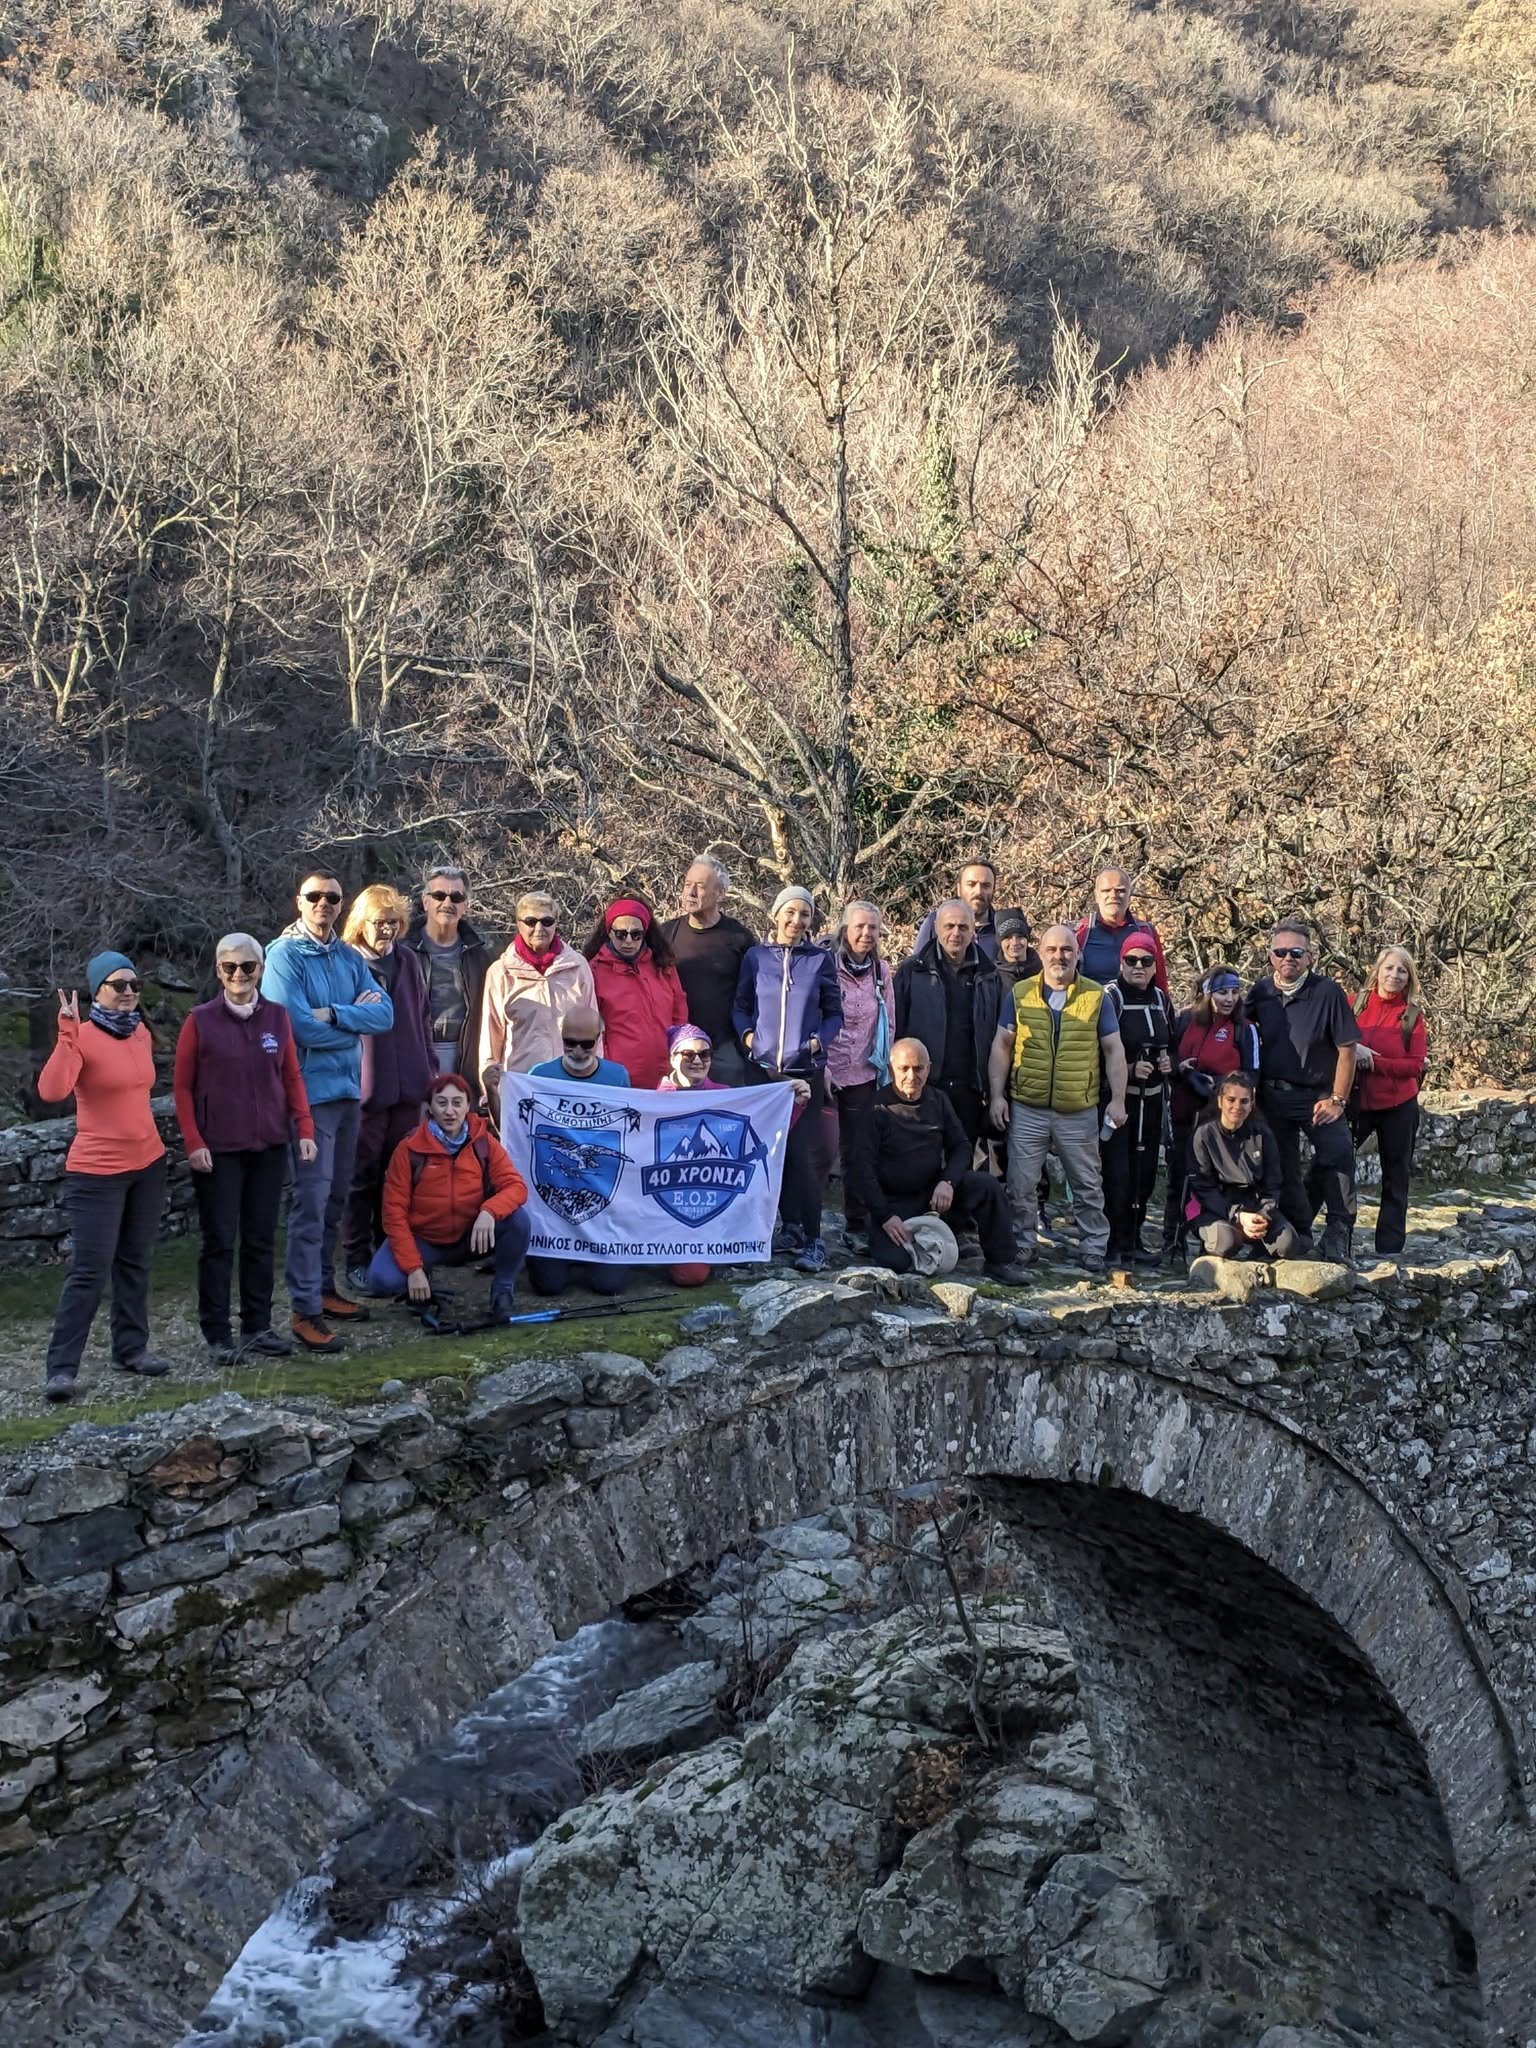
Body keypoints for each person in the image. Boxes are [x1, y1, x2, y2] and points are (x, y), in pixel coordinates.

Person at [262, 869, 394, 1353]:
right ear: (299, 901)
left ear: (341, 905)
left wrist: (336, 1014)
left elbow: (385, 1014)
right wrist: (352, 1023)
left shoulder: (345, 955)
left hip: (346, 1094)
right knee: (311, 1203)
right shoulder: (283, 956)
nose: (323, 904)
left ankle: (323, 1289)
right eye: (314, 896)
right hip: (308, 1099)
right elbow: (294, 1026)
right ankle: (304, 1309)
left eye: (332, 898)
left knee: (336, 1199)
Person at [174, 934, 316, 1365]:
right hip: (219, 1150)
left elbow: (291, 1077)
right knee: (219, 1241)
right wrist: (194, 1142)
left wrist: (304, 1128)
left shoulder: (277, 1018)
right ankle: (217, 1333)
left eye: (247, 967)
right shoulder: (199, 1021)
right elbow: (180, 1088)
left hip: (269, 1145)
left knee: (259, 1240)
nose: (239, 975)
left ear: (260, 969)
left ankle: (257, 1327)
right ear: (218, 971)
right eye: (229, 967)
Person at [38, 954, 171, 1402]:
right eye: (118, 985)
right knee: (90, 1270)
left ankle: (131, 1350)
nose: (129, 991)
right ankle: (61, 1369)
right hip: (96, 1172)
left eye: (134, 983)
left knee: (134, 1261)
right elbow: (52, 1091)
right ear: (98, 990)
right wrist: (66, 1035)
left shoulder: (140, 1033)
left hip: (147, 1164)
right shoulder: (82, 1037)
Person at [987, 924, 1127, 1274]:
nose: (1059, 957)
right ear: (1041, 953)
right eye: (1051, 950)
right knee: (1021, 1184)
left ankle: (1094, 1246)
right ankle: (1023, 1244)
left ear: (1077, 954)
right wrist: (996, 1096)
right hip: (1028, 1106)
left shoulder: (1096, 997)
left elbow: (1113, 1050)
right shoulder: (1019, 994)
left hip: (1078, 1108)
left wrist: (1118, 1100)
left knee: (1087, 1184)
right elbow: (1002, 1046)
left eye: (1066, 950)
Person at [852, 1039, 1029, 1285]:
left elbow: (961, 1147)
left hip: (936, 1195)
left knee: (987, 1186)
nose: (911, 1076)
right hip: (895, 1204)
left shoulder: (939, 1100)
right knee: (896, 1262)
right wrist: (884, 1216)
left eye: (919, 1068)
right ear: (892, 1069)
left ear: (929, 1068)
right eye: (904, 1069)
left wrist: (948, 1181)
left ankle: (1000, 1262)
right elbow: (862, 1169)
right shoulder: (876, 1109)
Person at [733, 886, 843, 1273]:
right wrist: (748, 1036)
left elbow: (834, 1013)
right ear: (776, 915)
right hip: (761, 1074)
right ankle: (784, 1228)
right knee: (764, 1155)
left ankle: (814, 1239)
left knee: (802, 1155)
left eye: (806, 915)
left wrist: (818, 1042)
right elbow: (742, 1005)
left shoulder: (820, 960)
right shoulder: (756, 957)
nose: (797, 921)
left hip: (804, 1075)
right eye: (790, 913)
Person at [368, 1072, 530, 1311]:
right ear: (430, 1108)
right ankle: (423, 1278)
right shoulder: (409, 1149)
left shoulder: (483, 1142)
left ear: (468, 1106)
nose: (449, 1111)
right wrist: (413, 1269)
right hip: (425, 1240)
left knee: (519, 1221)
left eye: (457, 1102)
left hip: (470, 1237)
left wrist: (489, 1211)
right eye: (441, 1103)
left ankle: (503, 1289)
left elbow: (516, 1187)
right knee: (381, 1280)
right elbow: (394, 1213)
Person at [1247, 919, 1359, 1263]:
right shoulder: (1261, 992)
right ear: (1271, 957)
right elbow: (1237, 1029)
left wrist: (1338, 1099)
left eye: (1296, 952)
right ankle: (1293, 1233)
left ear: (1309, 957)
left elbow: (1347, 1048)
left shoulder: (1327, 993)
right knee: (1281, 1167)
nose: (1288, 958)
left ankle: (1339, 1233)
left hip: (1318, 1096)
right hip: (1272, 1095)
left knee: (1338, 1156)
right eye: (1281, 952)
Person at [341, 885, 435, 1292]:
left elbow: (423, 1016)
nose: (387, 931)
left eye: (394, 923)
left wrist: (428, 1068)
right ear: (361, 922)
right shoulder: (344, 963)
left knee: (399, 1176)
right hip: (365, 1090)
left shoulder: (409, 960)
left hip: (409, 1086)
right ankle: (355, 1257)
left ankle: (392, 1250)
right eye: (380, 923)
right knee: (360, 1177)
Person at [524, 1005, 631, 1296]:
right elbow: (515, 1134)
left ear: (600, 1038)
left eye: (587, 1043)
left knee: (609, 1286)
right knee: (547, 1287)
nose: (579, 1051)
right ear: (561, 1038)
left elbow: (630, 1137)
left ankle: (587, 1257)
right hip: (552, 1206)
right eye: (570, 1042)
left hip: (599, 1202)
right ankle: (567, 1257)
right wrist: (494, 1091)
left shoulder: (618, 1076)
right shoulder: (539, 1075)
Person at [1162, 966, 1260, 1264]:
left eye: (1233, 992)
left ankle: (1213, 1236)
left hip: (1222, 1120)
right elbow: (1170, 1057)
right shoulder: (1183, 1021)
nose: (1229, 999)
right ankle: (1173, 1237)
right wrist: (1182, 1070)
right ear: (1206, 994)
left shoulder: (1244, 1029)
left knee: (1215, 1179)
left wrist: (1218, 1085)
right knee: (1179, 1177)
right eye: (1221, 992)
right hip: (1184, 1112)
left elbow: (1252, 1076)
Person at [893, 899, 1002, 1148]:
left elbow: (997, 1033)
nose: (956, 933)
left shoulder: (989, 974)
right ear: (937, 929)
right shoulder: (912, 971)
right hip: (923, 1084)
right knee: (920, 1160)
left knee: (962, 1160)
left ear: (973, 931)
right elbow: (896, 1027)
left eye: (963, 927)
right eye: (949, 926)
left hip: (969, 1087)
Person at [479, 891, 599, 1115]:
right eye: (530, 921)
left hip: (572, 1085)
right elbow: (491, 1035)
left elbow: (594, 1028)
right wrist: (490, 1089)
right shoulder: (500, 971)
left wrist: (597, 1079)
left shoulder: (578, 967)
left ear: (557, 924)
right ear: (518, 923)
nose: (538, 928)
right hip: (521, 1085)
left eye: (547, 921)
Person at [1348, 945, 1429, 1257]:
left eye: (1402, 970)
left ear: (1409, 978)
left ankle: (1389, 1250)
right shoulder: (1354, 1004)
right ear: (1377, 970)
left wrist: (1373, 1061)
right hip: (1357, 1103)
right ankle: (1309, 1233)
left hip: (1398, 1107)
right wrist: (1354, 1050)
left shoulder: (1411, 1017)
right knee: (1329, 1166)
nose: (1394, 975)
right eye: (1390, 968)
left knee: (1396, 1179)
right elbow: (1334, 1041)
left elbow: (1414, 1066)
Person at [1101, 932, 1176, 1269]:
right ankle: (1114, 1241)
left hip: (1154, 1100)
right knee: (1118, 1172)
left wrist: (1166, 1062)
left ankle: (1135, 1237)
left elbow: (1171, 1041)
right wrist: (1129, 1068)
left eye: (1146, 961)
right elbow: (1097, 1049)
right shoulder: (1110, 997)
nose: (1138, 967)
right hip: (1121, 1100)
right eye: (1131, 960)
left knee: (1145, 1174)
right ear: (1121, 962)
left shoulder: (1161, 999)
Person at [826, 901, 896, 1252]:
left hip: (864, 1073)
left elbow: (890, 1023)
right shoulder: (826, 966)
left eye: (873, 928)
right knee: (820, 1149)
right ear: (845, 929)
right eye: (859, 927)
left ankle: (856, 1223)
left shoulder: (882, 972)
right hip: (825, 1069)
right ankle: (803, 1225)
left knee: (858, 1152)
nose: (866, 934)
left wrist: (888, 1072)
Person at [659, 855, 756, 1086]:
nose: (690, 893)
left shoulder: (739, 937)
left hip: (724, 1050)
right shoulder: (666, 934)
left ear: (720, 894)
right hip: (677, 1049)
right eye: (687, 884)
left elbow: (755, 995)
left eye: (700, 887)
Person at [401, 865, 494, 1083]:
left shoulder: (480, 956)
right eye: (439, 895)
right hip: (413, 1054)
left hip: (464, 1058)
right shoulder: (402, 952)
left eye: (456, 897)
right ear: (425, 902)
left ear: (466, 906)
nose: (447, 903)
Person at [584, 895, 688, 1089]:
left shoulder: (663, 965)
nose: (629, 941)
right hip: (618, 1077)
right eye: (621, 934)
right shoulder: (593, 971)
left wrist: (680, 1055)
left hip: (667, 1075)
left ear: (645, 934)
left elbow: (679, 1014)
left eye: (636, 934)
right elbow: (590, 1029)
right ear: (609, 932)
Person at [1191, 1074, 1298, 1260]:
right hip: (1216, 1207)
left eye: (1244, 1101)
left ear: (1251, 1104)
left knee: (1287, 1244)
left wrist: (1263, 1214)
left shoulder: (1262, 1133)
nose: (1237, 1107)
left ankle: (1257, 1245)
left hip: (1254, 1204)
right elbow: (1202, 1186)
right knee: (1226, 1243)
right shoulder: (1204, 1134)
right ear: (1220, 1101)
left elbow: (1273, 1183)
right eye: (1231, 1100)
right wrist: (1237, 1216)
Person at [912, 859, 1029, 965]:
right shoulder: (936, 923)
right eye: (971, 884)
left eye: (985, 886)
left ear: (993, 890)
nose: (978, 891)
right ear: (959, 888)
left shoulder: (1004, 928)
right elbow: (916, 968)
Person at [1074, 868, 1169, 991]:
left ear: (1129, 896)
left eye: (1120, 891)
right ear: (1096, 896)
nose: (1113, 896)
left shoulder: (1145, 931)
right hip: (1093, 1007)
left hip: (1136, 1008)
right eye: (1106, 891)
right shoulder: (1080, 933)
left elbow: (1160, 984)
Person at [995, 914, 1042, 991]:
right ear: (1000, 942)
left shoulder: (1042, 972)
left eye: (1020, 936)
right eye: (1008, 937)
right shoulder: (992, 976)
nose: (1014, 942)